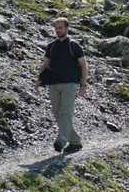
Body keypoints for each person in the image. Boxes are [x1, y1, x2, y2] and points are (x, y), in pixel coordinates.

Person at [34, 17, 88, 153]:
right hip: (53, 84)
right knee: (58, 114)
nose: (58, 31)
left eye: (60, 28)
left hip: (70, 84)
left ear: (67, 28)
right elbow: (45, 64)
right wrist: (38, 80)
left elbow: (83, 65)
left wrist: (83, 85)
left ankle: (61, 141)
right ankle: (75, 142)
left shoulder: (74, 46)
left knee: (66, 112)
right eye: (56, 28)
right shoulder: (51, 46)